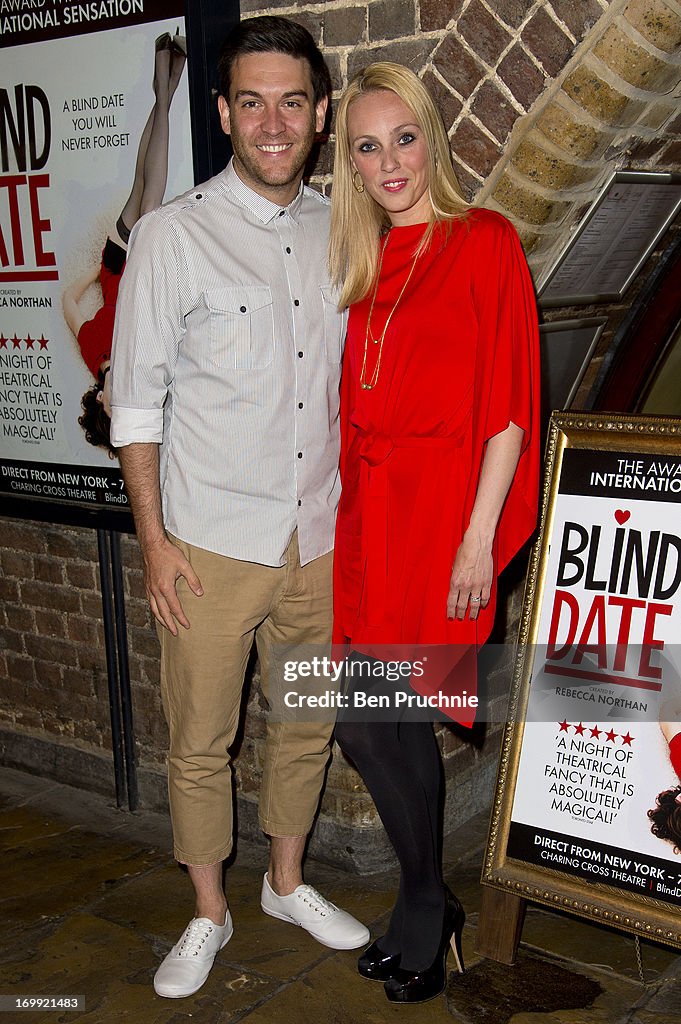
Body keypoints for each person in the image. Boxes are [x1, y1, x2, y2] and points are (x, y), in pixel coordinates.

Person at [109, 16, 368, 1001]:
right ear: (221, 113)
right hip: (209, 546)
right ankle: (209, 909)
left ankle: (286, 882)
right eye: (250, 101)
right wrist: (154, 542)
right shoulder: (172, 236)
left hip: (318, 538)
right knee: (200, 739)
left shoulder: (342, 226)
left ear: (319, 112)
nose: (272, 122)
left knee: (306, 722)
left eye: (291, 101)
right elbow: (136, 403)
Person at [328, 63, 540, 1003]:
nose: (389, 161)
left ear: (431, 138)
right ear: (352, 165)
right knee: (366, 724)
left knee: (391, 716)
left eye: (402, 137)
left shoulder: (483, 239)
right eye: (367, 147)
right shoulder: (360, 259)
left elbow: (507, 411)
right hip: (371, 515)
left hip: (443, 516)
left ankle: (422, 906)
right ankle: (427, 897)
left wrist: (475, 541)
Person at [63, 29, 187, 455]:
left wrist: (89, 279)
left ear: (100, 397)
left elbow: (67, 303)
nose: (124, 402)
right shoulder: (140, 369)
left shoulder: (90, 350)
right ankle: (164, 88)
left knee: (149, 191)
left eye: (114, 406)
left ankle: (166, 81)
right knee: (144, 185)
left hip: (118, 262)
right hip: (138, 262)